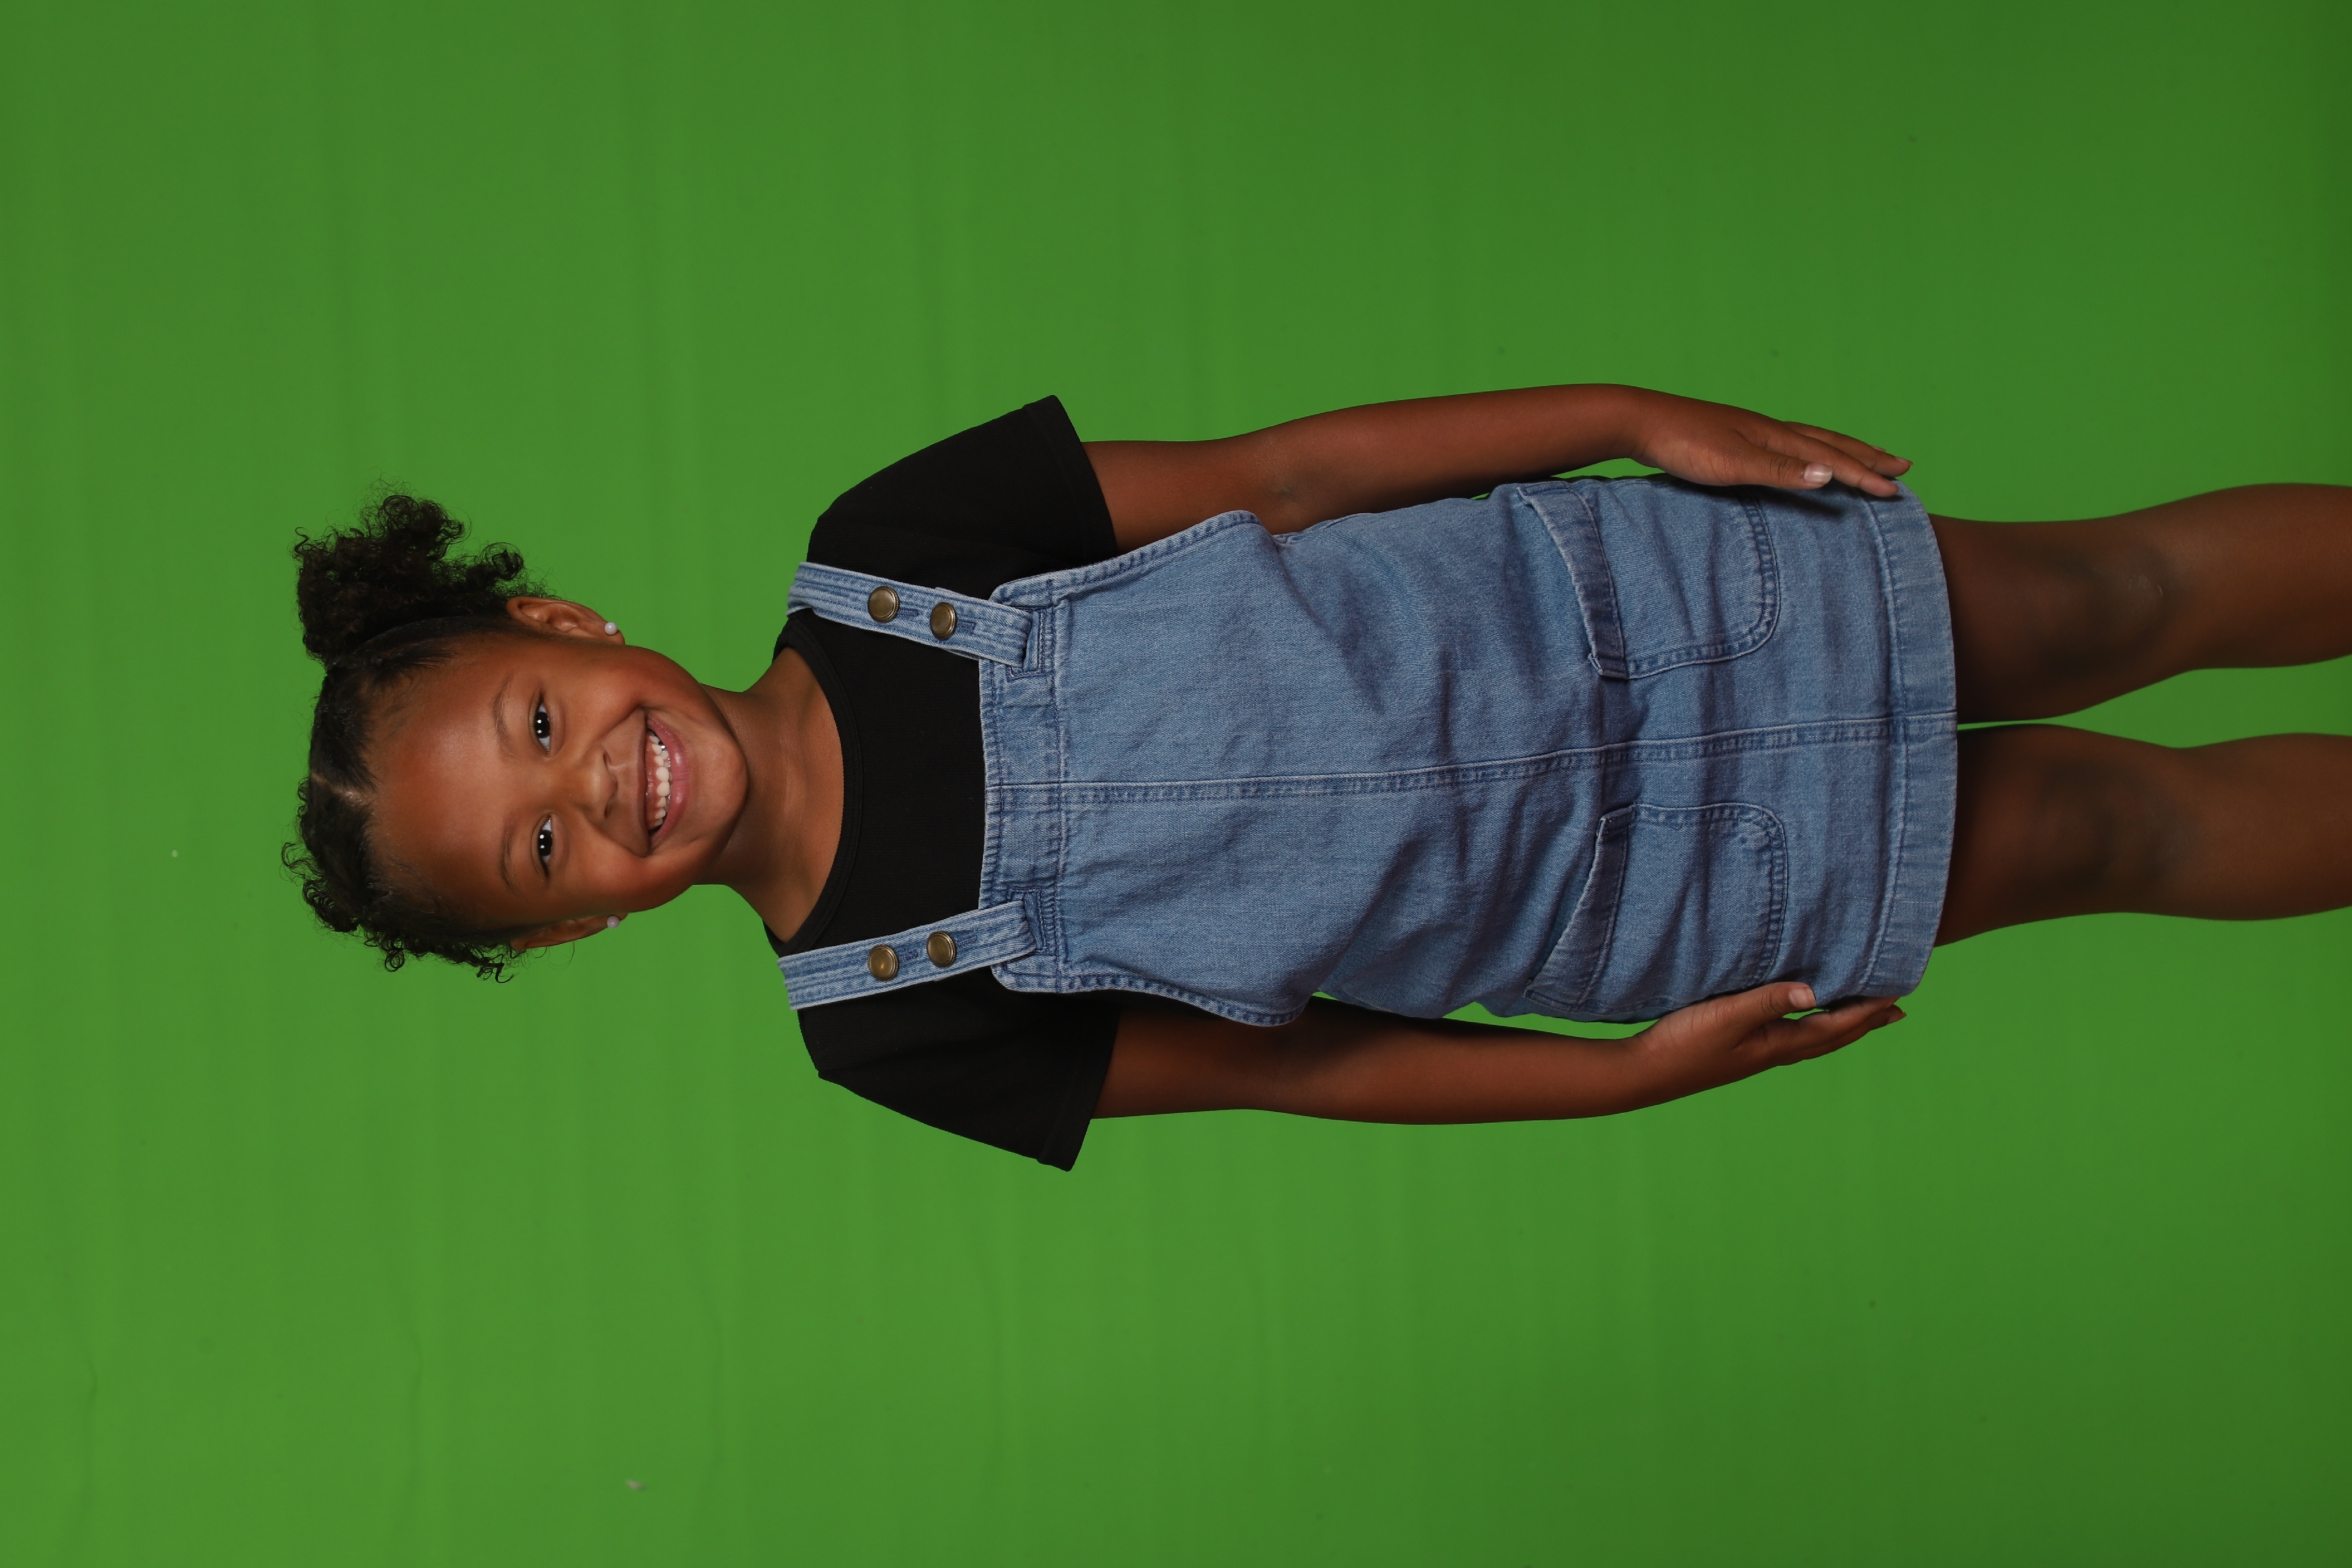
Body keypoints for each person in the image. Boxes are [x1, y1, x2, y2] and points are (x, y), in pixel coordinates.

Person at [286, 384, 2352, 1168]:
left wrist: (1627, 414)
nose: (597, 794)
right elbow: (1312, 1069)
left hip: (1627, 608)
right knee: (2102, 829)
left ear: (562, 623)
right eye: (541, 855)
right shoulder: (890, 1024)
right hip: (1644, 894)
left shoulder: (895, 545)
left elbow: (1289, 475)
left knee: (2105, 594)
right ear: (577, 929)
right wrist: (1620, 1085)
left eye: (537, 725)